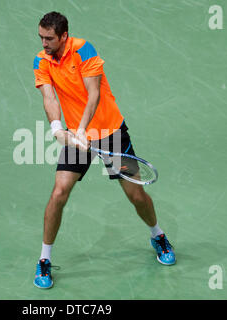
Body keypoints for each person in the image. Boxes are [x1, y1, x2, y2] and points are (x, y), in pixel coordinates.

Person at [33, 11, 176, 289]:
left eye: (49, 38)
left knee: (136, 194)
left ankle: (157, 235)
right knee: (59, 192)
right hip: (77, 138)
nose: (44, 43)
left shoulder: (84, 49)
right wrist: (56, 128)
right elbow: (49, 96)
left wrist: (84, 129)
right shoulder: (42, 59)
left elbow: (94, 93)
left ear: (64, 36)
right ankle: (44, 259)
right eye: (41, 37)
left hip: (110, 134)